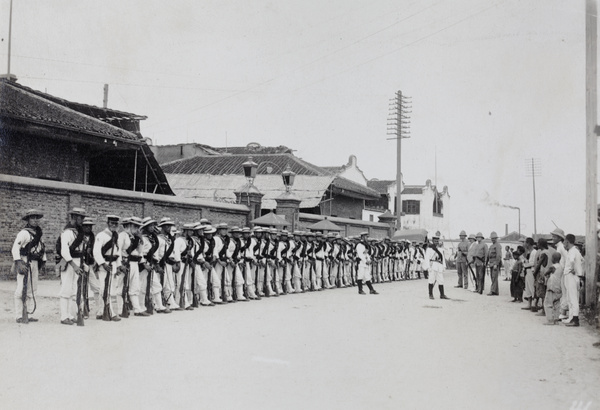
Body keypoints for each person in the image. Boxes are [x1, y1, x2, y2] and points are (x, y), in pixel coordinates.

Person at [12, 209, 46, 324]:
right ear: (28, 219)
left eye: (37, 218)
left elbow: (42, 249)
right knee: (21, 289)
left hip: (35, 262)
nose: (35, 220)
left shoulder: (39, 233)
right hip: (25, 261)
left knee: (32, 289)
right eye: (32, 218)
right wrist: (19, 262)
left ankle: (28, 313)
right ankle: (19, 315)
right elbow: (15, 248)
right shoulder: (24, 233)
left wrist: (44, 261)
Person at [58, 208, 86, 325]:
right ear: (74, 217)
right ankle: (64, 317)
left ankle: (70, 314)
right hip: (69, 262)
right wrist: (74, 265)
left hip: (78, 261)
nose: (82, 220)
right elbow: (64, 251)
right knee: (66, 289)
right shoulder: (67, 233)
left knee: (73, 290)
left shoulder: (79, 232)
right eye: (80, 217)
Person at [93, 215, 122, 322]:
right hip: (104, 264)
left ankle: (101, 311)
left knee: (110, 289)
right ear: (107, 223)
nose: (114, 225)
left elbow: (117, 252)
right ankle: (111, 312)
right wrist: (103, 264)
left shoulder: (116, 235)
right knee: (105, 289)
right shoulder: (101, 235)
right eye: (112, 223)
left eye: (116, 223)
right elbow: (96, 252)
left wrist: (118, 265)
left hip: (113, 264)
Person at [562, 234, 583, 327]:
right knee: (570, 297)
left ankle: (575, 319)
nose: (563, 244)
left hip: (571, 275)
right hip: (570, 275)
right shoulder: (573, 251)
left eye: (564, 242)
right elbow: (582, 260)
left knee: (573, 298)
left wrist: (574, 269)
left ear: (567, 241)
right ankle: (571, 318)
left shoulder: (573, 251)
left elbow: (572, 261)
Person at [423, 235, 449, 300]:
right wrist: (428, 267)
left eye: (437, 241)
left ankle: (442, 294)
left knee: (441, 280)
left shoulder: (440, 248)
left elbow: (442, 258)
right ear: (432, 241)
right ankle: (430, 294)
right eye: (435, 241)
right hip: (433, 265)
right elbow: (427, 258)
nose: (436, 242)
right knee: (431, 280)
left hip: (439, 266)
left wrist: (444, 266)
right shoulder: (429, 248)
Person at [543, 252, 563, 325]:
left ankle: (550, 320)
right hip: (559, 287)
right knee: (557, 304)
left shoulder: (553, 267)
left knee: (548, 303)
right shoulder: (561, 267)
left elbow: (546, 273)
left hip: (552, 287)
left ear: (553, 259)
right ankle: (556, 319)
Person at [521, 238, 538, 311]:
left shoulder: (534, 252)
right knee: (527, 287)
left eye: (525, 242)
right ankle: (529, 304)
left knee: (532, 287)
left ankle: (534, 304)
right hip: (527, 270)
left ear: (528, 243)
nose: (524, 244)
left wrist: (525, 264)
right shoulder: (528, 252)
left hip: (531, 270)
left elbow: (532, 263)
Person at [486, 231, 502, 296]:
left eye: (494, 238)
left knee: (494, 277)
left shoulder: (498, 245)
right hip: (491, 263)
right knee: (492, 277)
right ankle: (496, 291)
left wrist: (496, 264)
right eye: (492, 238)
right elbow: (488, 255)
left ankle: (492, 291)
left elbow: (498, 255)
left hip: (495, 263)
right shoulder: (491, 246)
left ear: (496, 238)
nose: (493, 239)